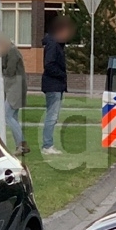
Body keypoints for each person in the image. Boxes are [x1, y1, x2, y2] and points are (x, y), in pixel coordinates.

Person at [40, 16, 75, 155]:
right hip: (53, 85)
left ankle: (48, 144)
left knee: (53, 116)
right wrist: (62, 74)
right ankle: (47, 145)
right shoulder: (54, 45)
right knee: (52, 116)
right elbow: (49, 64)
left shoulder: (56, 44)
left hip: (56, 84)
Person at [0, 34, 28, 155]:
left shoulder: (12, 51)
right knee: (13, 116)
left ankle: (21, 144)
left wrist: (0, 66)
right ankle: (21, 144)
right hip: (14, 87)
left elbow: (10, 71)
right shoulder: (8, 51)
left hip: (16, 87)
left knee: (7, 115)